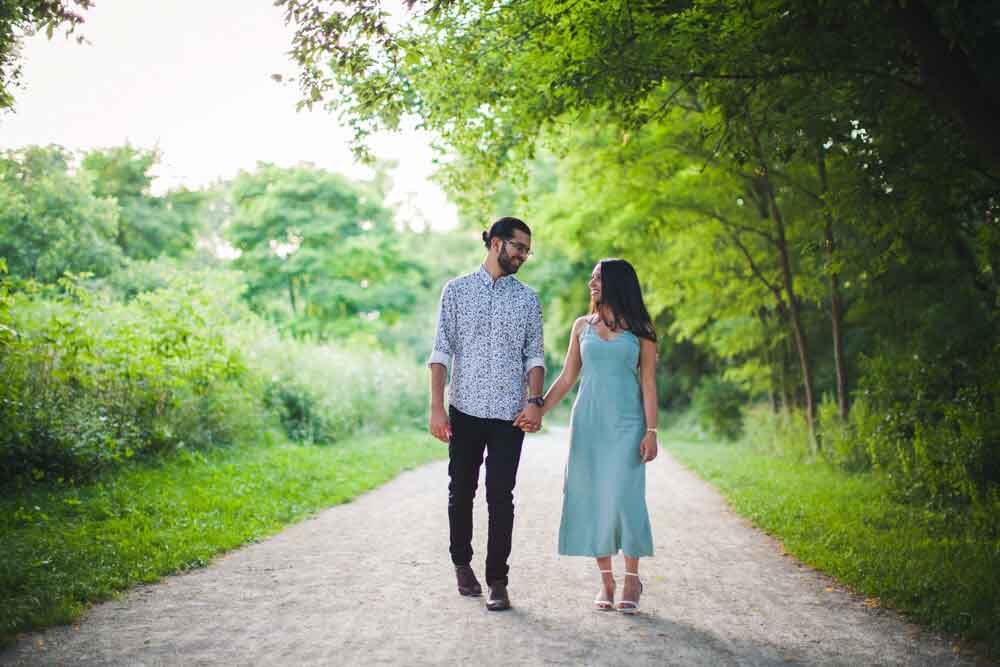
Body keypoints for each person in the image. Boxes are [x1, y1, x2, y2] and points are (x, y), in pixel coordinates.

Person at [427, 217, 545, 612]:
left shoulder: (528, 299)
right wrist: (436, 408)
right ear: (496, 243)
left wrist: (535, 400)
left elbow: (535, 355)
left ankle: (498, 581)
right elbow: (441, 352)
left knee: (501, 497)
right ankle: (462, 564)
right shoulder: (456, 292)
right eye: (519, 247)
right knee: (461, 492)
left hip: (510, 415)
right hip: (464, 410)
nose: (524, 255)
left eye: (527, 250)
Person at [531, 258, 658, 614]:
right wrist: (538, 409)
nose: (591, 284)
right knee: (592, 496)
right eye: (591, 278)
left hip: (627, 423)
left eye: (598, 279)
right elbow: (568, 378)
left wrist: (651, 430)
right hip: (588, 422)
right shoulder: (581, 326)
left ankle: (632, 578)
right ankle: (606, 580)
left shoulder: (641, 330)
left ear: (617, 283)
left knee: (624, 498)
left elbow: (648, 383)